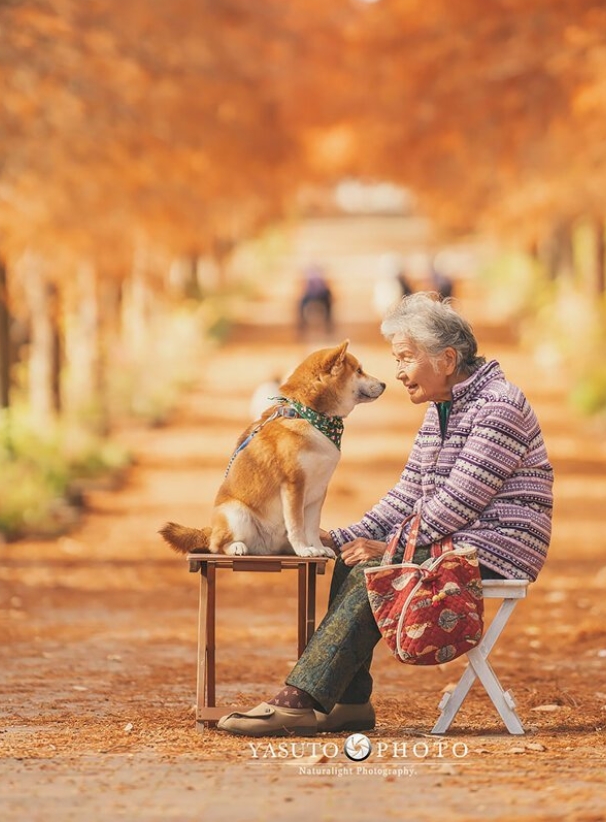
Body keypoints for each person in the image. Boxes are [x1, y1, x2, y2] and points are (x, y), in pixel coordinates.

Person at [217, 292, 553, 737]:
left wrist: (391, 546)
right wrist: (338, 537)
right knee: (349, 557)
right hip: (452, 538)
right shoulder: (442, 411)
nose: (397, 372)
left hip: (498, 543)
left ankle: (301, 699)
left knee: (375, 564)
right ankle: (350, 702)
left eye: (405, 358)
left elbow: (459, 501)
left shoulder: (499, 405)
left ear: (447, 359)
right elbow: (406, 495)